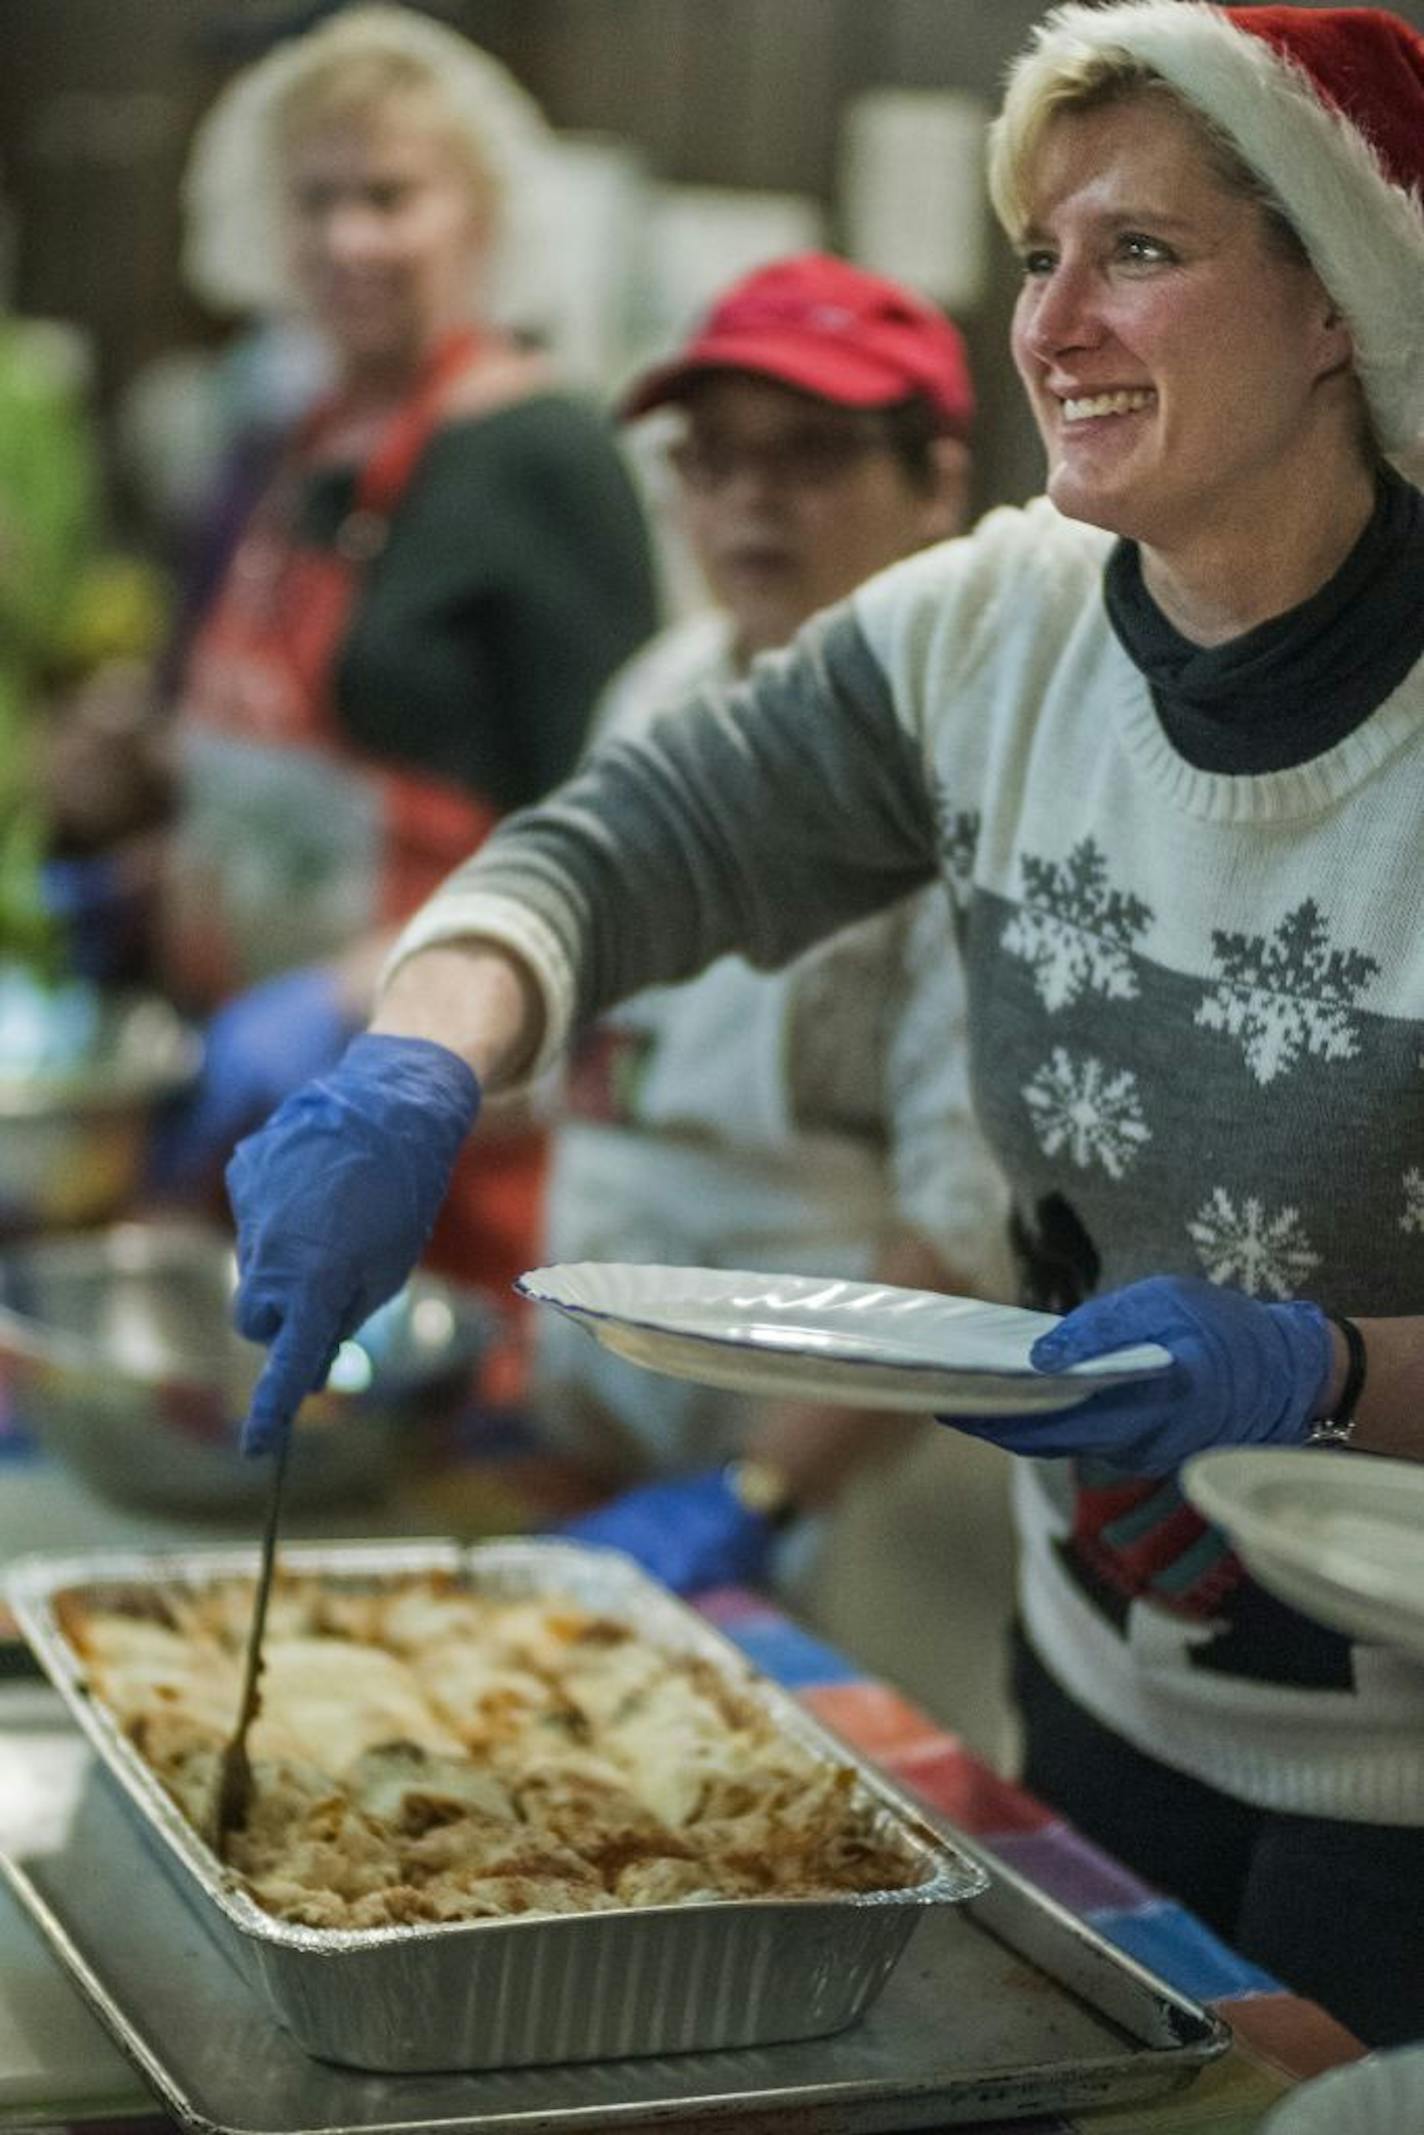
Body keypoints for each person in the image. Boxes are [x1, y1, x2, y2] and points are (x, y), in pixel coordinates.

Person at [217, 2, 1424, 2043]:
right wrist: (419, 1052)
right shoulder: (991, 624)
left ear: (1335, 297)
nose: (1050, 320)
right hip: (1097, 1676)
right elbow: (612, 849)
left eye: (1139, 250)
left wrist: (1324, 1368)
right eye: (1038, 255)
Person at [145, 2, 658, 1307]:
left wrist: (345, 994)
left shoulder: (545, 453)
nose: (346, 240)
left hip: (441, 1130)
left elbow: (608, 831)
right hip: (254, 1102)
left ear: (478, 214)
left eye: (389, 196)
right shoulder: (294, 440)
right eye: (314, 202)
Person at [540, 252, 1011, 1595]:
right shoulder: (659, 690)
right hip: (614, 1397)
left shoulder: (974, 768)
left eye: (810, 455)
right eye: (712, 457)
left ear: (935, 486)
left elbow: (966, 1234)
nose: (750, 497)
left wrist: (757, 1490)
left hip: (844, 1474)